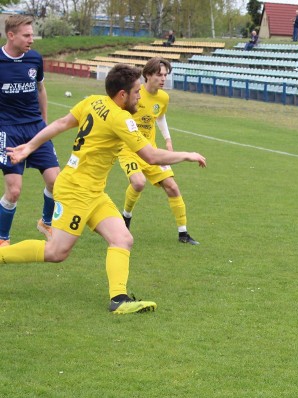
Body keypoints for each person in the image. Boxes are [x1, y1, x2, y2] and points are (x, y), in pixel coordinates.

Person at [0, 64, 207, 314]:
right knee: (56, 252)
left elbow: (62, 122)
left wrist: (29, 146)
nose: (140, 97)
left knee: (122, 238)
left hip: (93, 191)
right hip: (76, 190)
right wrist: (187, 154)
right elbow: (151, 156)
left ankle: (119, 299)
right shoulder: (121, 119)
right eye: (136, 92)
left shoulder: (92, 101)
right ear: (122, 95)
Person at [118, 58, 199, 245]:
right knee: (138, 183)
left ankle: (183, 234)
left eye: (165, 75)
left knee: (172, 186)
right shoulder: (134, 93)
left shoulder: (163, 97)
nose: (163, 79)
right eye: (159, 74)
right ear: (147, 75)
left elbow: (160, 117)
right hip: (128, 149)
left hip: (151, 151)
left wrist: (168, 140)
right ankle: (126, 218)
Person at [0, 15, 59, 247]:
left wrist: (44, 124)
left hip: (35, 128)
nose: (31, 40)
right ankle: (3, 238)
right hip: (8, 130)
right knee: (14, 191)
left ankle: (46, 222)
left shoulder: (34, 59)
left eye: (32, 34)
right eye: (26, 35)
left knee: (56, 182)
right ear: (10, 35)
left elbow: (41, 89)